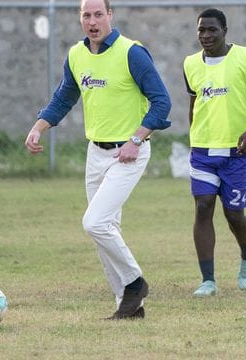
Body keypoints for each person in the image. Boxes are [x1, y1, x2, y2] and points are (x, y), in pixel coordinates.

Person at [25, 0, 171, 320]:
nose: (93, 21)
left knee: (94, 222)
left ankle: (134, 282)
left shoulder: (132, 52)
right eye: (86, 15)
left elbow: (162, 103)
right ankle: (128, 305)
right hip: (96, 153)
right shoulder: (76, 56)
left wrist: (136, 139)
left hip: (129, 153)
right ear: (80, 19)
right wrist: (38, 128)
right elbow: (63, 97)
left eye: (98, 14)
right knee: (104, 231)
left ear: (110, 16)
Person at [183, 8, 246, 298]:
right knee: (203, 206)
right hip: (203, 150)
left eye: (212, 30)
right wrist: (194, 135)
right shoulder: (191, 64)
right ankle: (208, 280)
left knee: (234, 214)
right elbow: (194, 103)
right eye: (201, 31)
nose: (206, 36)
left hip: (238, 150)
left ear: (225, 31)